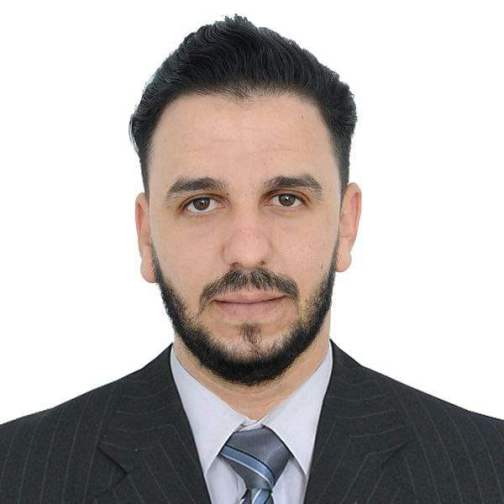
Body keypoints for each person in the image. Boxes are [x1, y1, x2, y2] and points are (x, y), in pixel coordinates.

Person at [1, 13, 503, 504]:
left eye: (286, 199)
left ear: (346, 224)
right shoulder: (16, 472)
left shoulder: (489, 471)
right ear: (146, 235)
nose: (246, 251)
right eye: (201, 203)